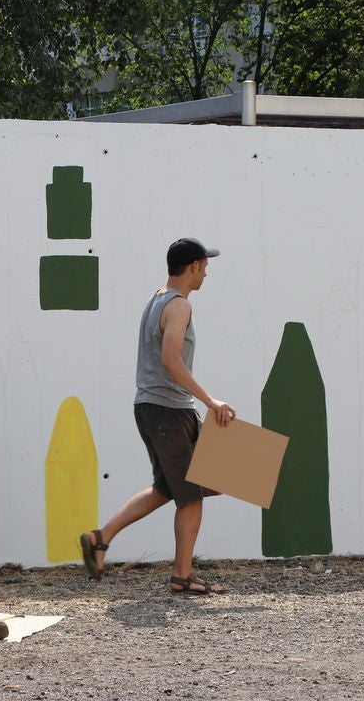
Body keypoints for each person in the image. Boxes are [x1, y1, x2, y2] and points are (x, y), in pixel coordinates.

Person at [80, 238, 236, 594]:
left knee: (167, 487)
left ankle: (99, 538)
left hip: (154, 408)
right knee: (191, 494)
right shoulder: (179, 306)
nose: (207, 272)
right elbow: (170, 359)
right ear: (194, 266)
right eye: (205, 265)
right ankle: (182, 577)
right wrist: (211, 401)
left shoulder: (157, 297)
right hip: (168, 410)